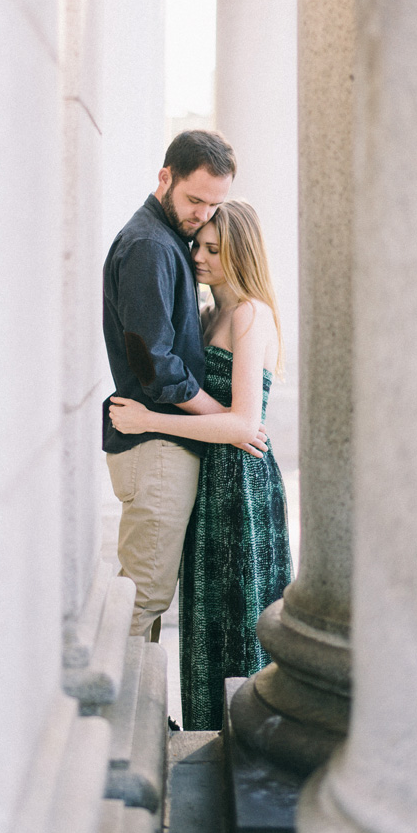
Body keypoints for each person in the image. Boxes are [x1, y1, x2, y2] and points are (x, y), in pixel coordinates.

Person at [109, 199, 294, 730]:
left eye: (214, 250)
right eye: (198, 244)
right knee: (205, 613)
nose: (199, 256)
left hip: (242, 483)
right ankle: (206, 730)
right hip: (212, 477)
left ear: (240, 256)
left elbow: (241, 426)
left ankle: (242, 736)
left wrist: (152, 421)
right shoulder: (210, 314)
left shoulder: (250, 315)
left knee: (238, 614)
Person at [103, 130, 264, 643]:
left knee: (149, 590)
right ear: (164, 176)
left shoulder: (171, 240)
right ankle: (92, 707)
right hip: (156, 449)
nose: (201, 215)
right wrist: (226, 418)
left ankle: (138, 709)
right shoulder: (151, 244)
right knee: (146, 594)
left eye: (212, 205)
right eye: (194, 199)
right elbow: (157, 364)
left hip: (165, 445)